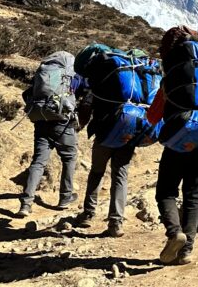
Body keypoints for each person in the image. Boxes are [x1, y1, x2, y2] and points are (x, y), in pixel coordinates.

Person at [146, 84, 198, 265]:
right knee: (193, 197)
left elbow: (152, 116)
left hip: (176, 145)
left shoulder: (174, 78)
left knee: (166, 192)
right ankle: (186, 252)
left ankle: (175, 233)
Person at [17, 61, 88, 218]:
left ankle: (26, 203)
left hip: (41, 122)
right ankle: (65, 198)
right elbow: (86, 93)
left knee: (38, 162)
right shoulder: (74, 75)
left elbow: (25, 94)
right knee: (69, 158)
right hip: (63, 124)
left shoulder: (45, 76)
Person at [71, 92, 135, 237]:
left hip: (104, 135)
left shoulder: (103, 80)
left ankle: (88, 214)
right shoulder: (133, 86)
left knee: (97, 172)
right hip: (128, 136)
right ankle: (116, 222)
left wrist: (81, 124)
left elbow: (87, 104)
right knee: (121, 177)